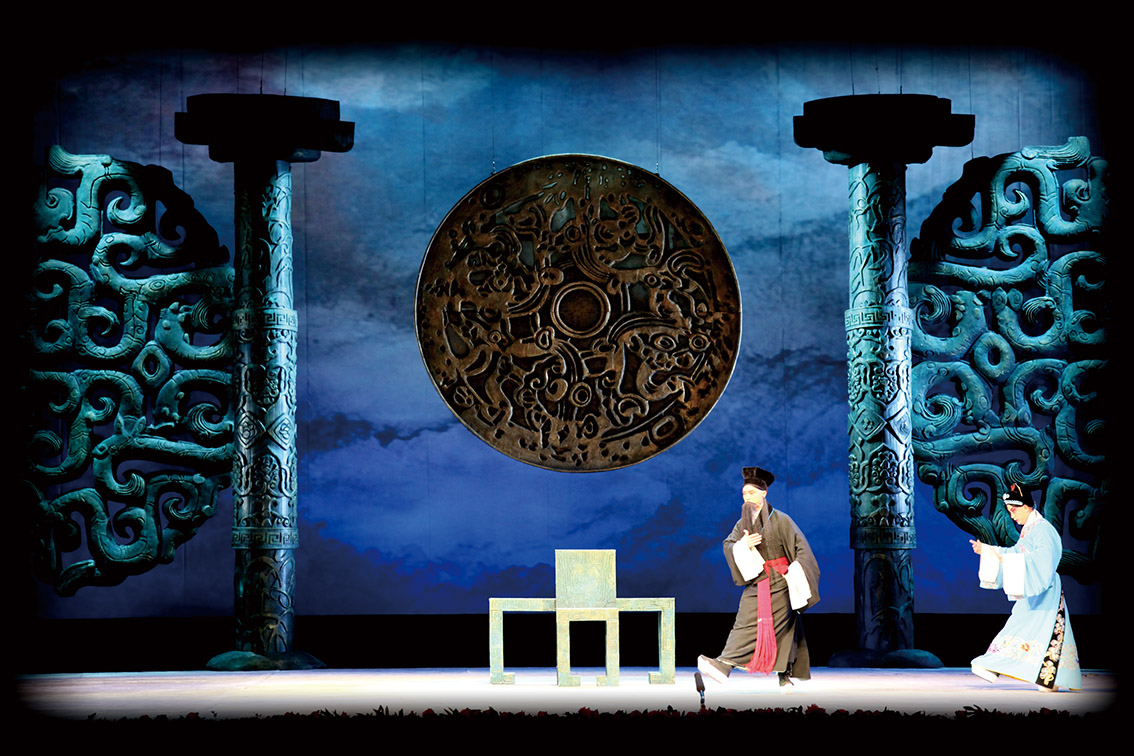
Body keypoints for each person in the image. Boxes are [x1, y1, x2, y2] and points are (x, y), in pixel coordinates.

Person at [698, 466, 820, 686]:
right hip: (758, 581)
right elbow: (728, 544)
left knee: (783, 628)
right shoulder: (742, 523)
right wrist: (743, 544)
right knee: (746, 622)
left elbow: (801, 548)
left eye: (752, 492)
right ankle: (725, 664)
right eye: (744, 493)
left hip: (782, 582)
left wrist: (795, 572)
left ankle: (782, 674)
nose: (747, 497)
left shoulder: (781, 520)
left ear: (764, 493)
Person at [969, 484, 1081, 692]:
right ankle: (1049, 678)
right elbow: (1016, 553)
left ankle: (992, 664)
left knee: (1041, 629)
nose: (1012, 516)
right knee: (1036, 629)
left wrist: (1008, 557)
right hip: (1032, 589)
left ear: (1027, 506)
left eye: (1013, 510)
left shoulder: (1042, 529)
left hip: (1043, 588)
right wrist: (988, 551)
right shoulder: (1030, 530)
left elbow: (1043, 559)